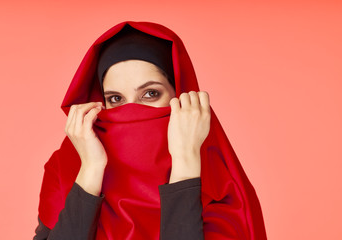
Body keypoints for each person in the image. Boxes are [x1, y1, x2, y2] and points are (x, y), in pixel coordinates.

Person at [34, 21, 267, 240]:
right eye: (116, 98)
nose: (132, 111)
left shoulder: (218, 178)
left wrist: (185, 163)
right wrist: (91, 171)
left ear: (180, 95)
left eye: (150, 94)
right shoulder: (66, 168)